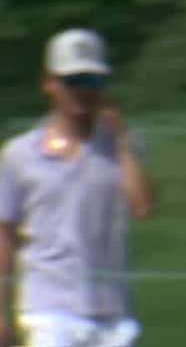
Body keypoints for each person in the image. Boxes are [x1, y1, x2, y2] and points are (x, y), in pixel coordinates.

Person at [0, 29, 156, 347]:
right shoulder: (20, 154)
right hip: (47, 308)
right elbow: (5, 235)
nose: (83, 91)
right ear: (49, 83)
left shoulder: (122, 147)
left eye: (92, 81)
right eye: (72, 81)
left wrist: (124, 143)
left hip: (110, 310)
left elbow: (143, 207)